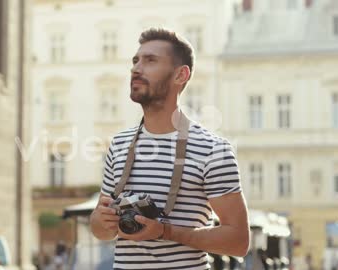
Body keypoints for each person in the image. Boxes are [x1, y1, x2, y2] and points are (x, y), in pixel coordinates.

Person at [89, 28, 250, 269]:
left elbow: (239, 242)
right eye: (135, 60)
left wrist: (166, 231)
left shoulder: (213, 149)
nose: (136, 68)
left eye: (150, 60)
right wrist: (101, 221)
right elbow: (101, 231)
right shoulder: (119, 144)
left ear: (180, 75)